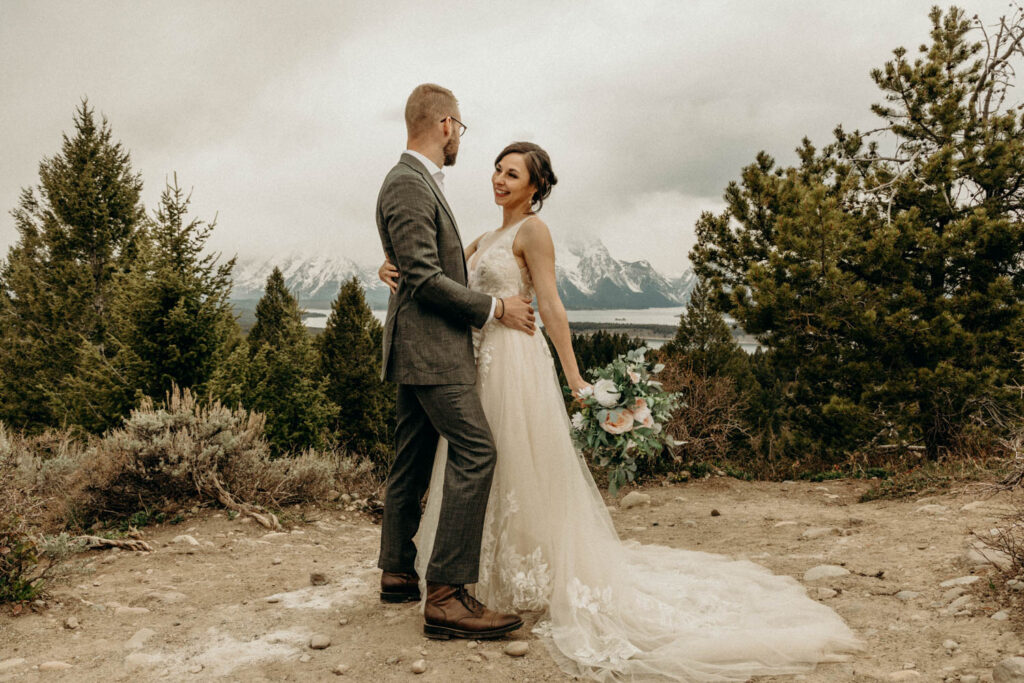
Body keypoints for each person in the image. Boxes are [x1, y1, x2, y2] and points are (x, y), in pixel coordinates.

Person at [378, 140, 864, 680]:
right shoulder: (482, 237)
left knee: (517, 460)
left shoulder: (533, 232)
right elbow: (440, 277)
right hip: (479, 361)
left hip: (516, 361)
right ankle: (475, 577)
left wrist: (574, 375)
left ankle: (505, 577)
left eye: (512, 174)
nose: (498, 178)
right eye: (497, 168)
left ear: (535, 187)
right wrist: (390, 265)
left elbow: (553, 304)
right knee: (485, 462)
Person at [374, 84, 537, 641]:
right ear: (445, 124)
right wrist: (494, 307)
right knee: (476, 449)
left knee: (413, 457)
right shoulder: (409, 182)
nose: (460, 137)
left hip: (415, 347)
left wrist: (390, 265)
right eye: (461, 127)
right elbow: (422, 276)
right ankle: (446, 595)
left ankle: (397, 570)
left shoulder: (410, 182)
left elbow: (417, 264)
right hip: (432, 349)